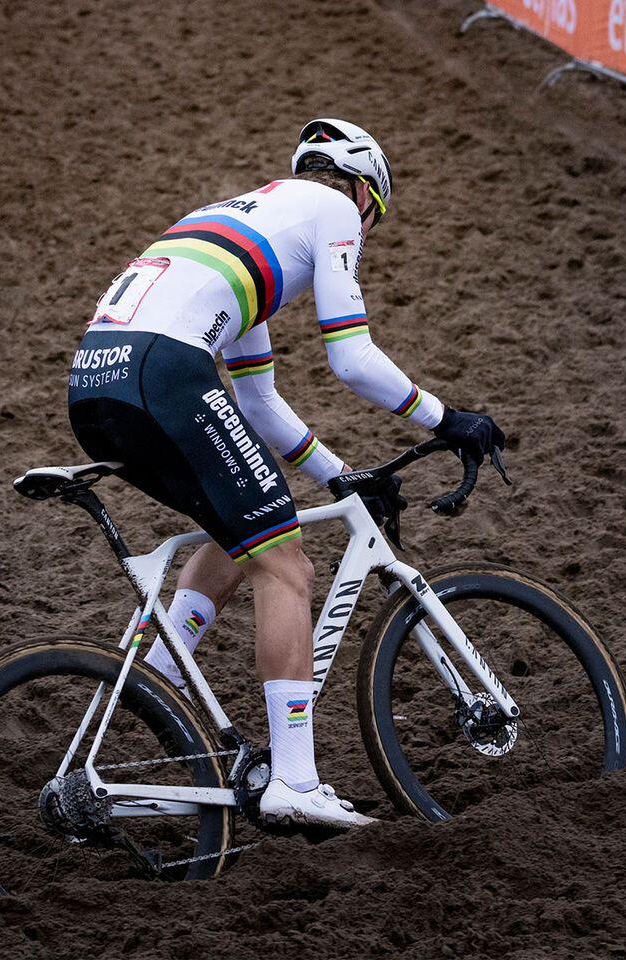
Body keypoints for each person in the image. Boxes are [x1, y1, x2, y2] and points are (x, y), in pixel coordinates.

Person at [65, 118, 505, 829]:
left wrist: (341, 474)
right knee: (288, 566)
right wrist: (447, 418)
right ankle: (295, 781)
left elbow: (261, 403)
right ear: (366, 194)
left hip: (96, 381)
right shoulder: (334, 210)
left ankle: (165, 682)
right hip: (162, 371)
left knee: (243, 530)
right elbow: (351, 357)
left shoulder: (242, 223)